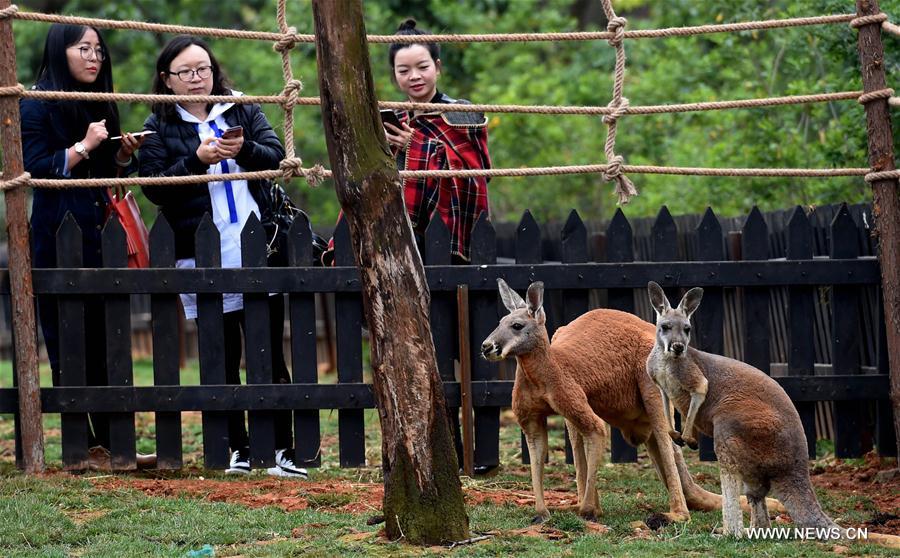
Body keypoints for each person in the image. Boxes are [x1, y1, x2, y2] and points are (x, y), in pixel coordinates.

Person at [139, 35, 306, 478]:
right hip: (201, 252)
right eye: (185, 73)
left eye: (203, 69)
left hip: (256, 246)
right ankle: (238, 447)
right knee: (222, 354)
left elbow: (276, 156)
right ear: (167, 81)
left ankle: (282, 450)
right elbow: (153, 186)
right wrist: (195, 159)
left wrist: (242, 149)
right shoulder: (157, 125)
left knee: (269, 353)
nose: (196, 79)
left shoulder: (243, 109)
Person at [21, 23, 153, 470]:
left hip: (100, 226)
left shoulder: (98, 102)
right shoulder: (34, 103)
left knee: (107, 334)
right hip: (57, 227)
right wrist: (84, 144)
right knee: (67, 334)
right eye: (83, 48)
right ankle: (84, 446)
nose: (94, 57)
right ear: (61, 52)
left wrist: (119, 153)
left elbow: (103, 172)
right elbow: (35, 168)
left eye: (98, 49)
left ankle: (118, 444)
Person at [384, 18, 491, 263]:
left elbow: (477, 176)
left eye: (423, 67)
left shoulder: (461, 112)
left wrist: (416, 144)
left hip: (446, 231)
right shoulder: (394, 117)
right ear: (395, 75)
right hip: (400, 233)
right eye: (404, 71)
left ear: (437, 67)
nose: (414, 76)